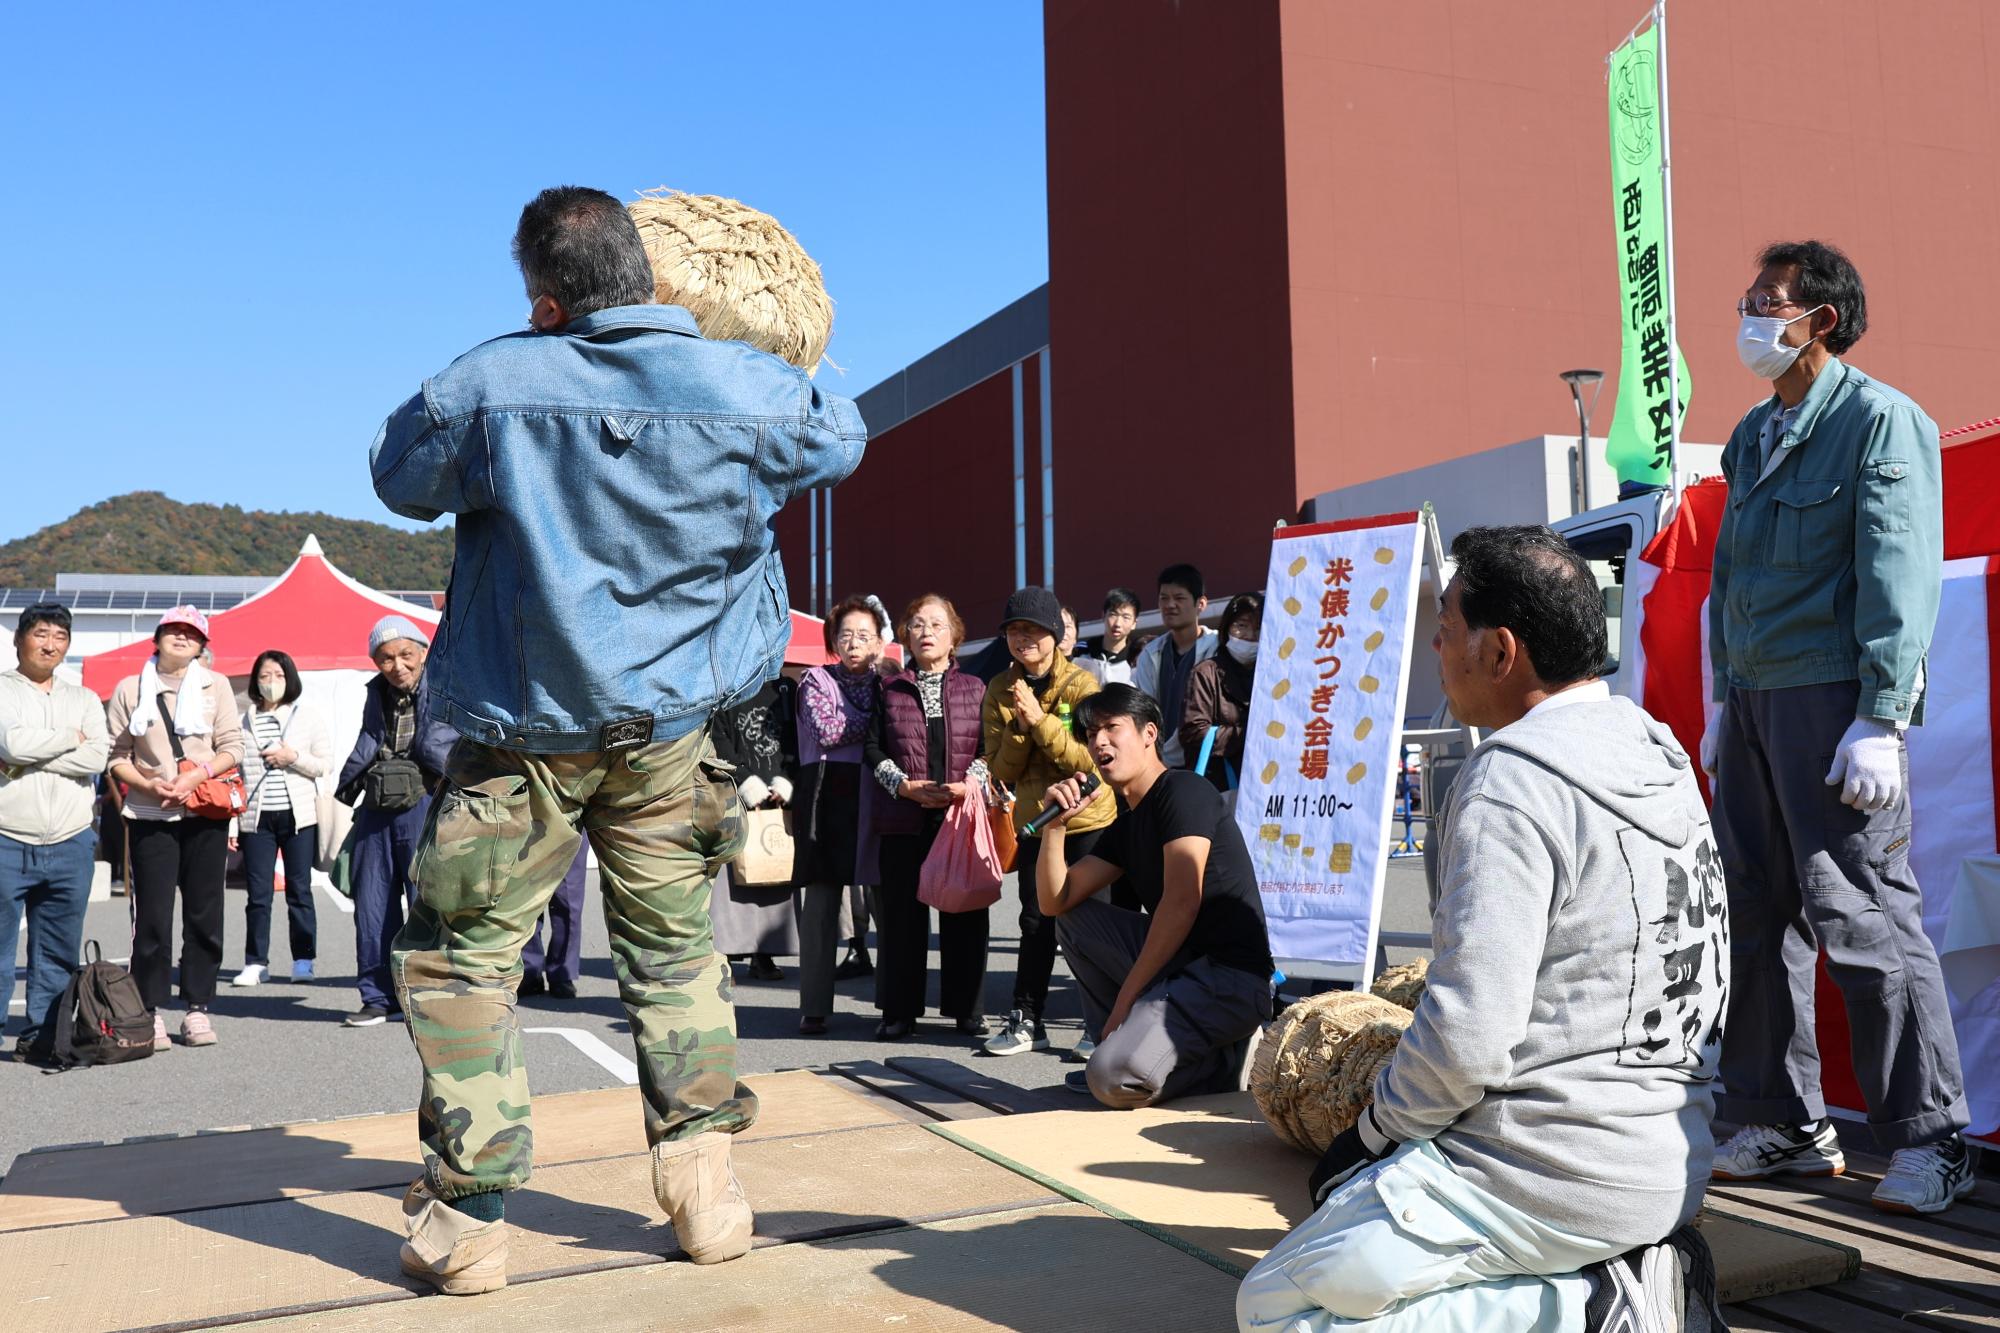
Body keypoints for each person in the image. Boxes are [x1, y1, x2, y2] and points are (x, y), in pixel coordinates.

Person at [369, 185, 862, 1290]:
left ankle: (471, 1220)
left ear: (545, 301)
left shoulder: (495, 381)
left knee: (461, 957)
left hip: (525, 738)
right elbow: (841, 435)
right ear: (652, 272)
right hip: (672, 738)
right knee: (674, 955)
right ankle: (704, 1191)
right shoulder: (746, 386)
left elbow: (396, 470)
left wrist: (521, 355)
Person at [1237, 525, 1727, 1333]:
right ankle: (1619, 1276)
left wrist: (1372, 1134)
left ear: (1500, 652)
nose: (1436, 647)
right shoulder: (1657, 749)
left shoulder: (1512, 778)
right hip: (1673, 1161)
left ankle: (1589, 1305)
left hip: (1544, 1170)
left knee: (1274, 1303)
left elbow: (1467, 1038)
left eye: (1446, 629)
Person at [1703, 240, 1970, 1214]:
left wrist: (1879, 716)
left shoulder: (1879, 421)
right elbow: (1729, 572)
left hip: (1830, 700)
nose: (1748, 316)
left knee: (1862, 912)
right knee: (1753, 910)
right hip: (1756, 700)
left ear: (1820, 319)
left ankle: (1929, 1138)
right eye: (1747, 299)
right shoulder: (1751, 433)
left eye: (1766, 301)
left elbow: (1899, 572)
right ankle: (1780, 1117)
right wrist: (1724, 698)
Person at [1035, 685, 1273, 1109]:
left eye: (1111, 727)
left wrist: (1125, 1002)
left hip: (1230, 980)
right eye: (1090, 734)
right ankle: (1123, 1046)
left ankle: (1227, 1064)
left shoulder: (1184, 790)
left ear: (1149, 734)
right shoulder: (1128, 824)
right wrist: (1055, 827)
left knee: (1110, 1079)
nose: (1099, 742)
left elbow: (1182, 902)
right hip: (1181, 970)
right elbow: (1056, 901)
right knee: (1074, 919)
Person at [979, 586, 1114, 1057]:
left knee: (1093, 923)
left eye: (1034, 630)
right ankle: (1026, 1019)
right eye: (1015, 631)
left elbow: (1090, 760)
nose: (1024, 639)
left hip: (1089, 821)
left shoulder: (1081, 685)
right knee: (1035, 921)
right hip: (1037, 822)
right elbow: (1001, 769)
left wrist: (1039, 721)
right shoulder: (999, 688)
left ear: (1055, 634)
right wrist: (1020, 727)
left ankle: (1100, 1024)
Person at [104, 606, 243, 1050]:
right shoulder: (130, 688)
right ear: (158, 637)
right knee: (152, 916)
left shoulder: (215, 685)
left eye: (191, 633)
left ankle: (198, 1006)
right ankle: (150, 1008)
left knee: (205, 914)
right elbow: (117, 755)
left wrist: (196, 776)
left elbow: (233, 747)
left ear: (202, 645)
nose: (182, 638)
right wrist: (148, 784)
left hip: (205, 813)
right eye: (173, 631)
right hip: (151, 814)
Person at [862, 594, 990, 1041]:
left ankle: (967, 1010)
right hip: (903, 816)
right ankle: (899, 1012)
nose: (926, 632)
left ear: (954, 636)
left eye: (937, 624)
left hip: (957, 816)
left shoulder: (975, 688)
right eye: (917, 624)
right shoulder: (889, 689)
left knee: (965, 911)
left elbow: (989, 751)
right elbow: (872, 748)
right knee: (901, 919)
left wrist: (969, 784)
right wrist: (903, 786)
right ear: (906, 636)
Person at [334, 616, 454, 1027]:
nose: (397, 665)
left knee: (427, 904)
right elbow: (367, 740)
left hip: (425, 802)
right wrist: (348, 784)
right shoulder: (376, 694)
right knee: (371, 905)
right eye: (385, 658)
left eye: (405, 654)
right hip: (376, 807)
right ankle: (377, 997)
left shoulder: (445, 685)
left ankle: (426, 995)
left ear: (423, 652)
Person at [0, 604, 109, 1057]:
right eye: (41, 634)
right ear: (19, 639)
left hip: (70, 840)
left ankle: (43, 1036)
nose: (50, 645)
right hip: (7, 836)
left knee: (57, 949)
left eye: (60, 636)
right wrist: (69, 738)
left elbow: (98, 756)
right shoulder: (3, 690)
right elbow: (11, 742)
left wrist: (25, 759)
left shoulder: (83, 698)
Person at [793, 595, 886, 1036]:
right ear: (833, 641)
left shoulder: (889, 683)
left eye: (864, 635)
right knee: (821, 907)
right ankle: (814, 1007)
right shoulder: (814, 679)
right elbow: (826, 731)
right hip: (825, 796)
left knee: (887, 903)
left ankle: (894, 1005)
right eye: (846, 635)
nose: (854, 643)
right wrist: (876, 722)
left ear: (879, 643)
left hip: (877, 794)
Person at [232, 649, 330, 986]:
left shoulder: (306, 717)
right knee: (258, 894)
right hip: (255, 818)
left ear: (290, 679)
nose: (271, 682)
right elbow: (235, 774)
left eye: (278, 675)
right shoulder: (242, 721)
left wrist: (293, 757)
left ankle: (303, 959)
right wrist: (232, 823)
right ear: (255, 681)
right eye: (264, 676)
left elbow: (324, 764)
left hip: (299, 817)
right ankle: (255, 962)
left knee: (299, 890)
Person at [707, 674, 801, 980]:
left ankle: (764, 953)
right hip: (734, 795)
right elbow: (716, 737)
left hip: (778, 795)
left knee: (773, 876)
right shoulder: (724, 686)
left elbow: (799, 738)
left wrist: (788, 779)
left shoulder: (786, 688)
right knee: (731, 887)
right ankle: (724, 955)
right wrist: (745, 779)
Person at [1131, 564, 1216, 768]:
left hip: (1207, 760)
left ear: (1201, 604)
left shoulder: (1217, 648)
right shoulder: (1150, 653)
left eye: (1179, 598)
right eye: (1164, 598)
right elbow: (1144, 711)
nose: (1170, 605)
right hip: (1160, 763)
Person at [1180, 591, 1261, 794]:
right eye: (1242, 625)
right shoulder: (1206, 673)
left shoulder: (1275, 675)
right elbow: (1194, 732)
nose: (1250, 635)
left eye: (1258, 628)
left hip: (1263, 783)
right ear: (1226, 628)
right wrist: (1250, 734)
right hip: (1219, 787)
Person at [519, 844, 589, 1000]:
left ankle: (562, 972)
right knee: (527, 896)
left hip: (573, 829)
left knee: (568, 899)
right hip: (529, 829)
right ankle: (529, 969)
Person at [1075, 587, 1142, 686]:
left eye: (1126, 617)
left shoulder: (1137, 660)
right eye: (1113, 614)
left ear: (1134, 623)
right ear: (1103, 615)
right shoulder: (1081, 652)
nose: (1118, 624)